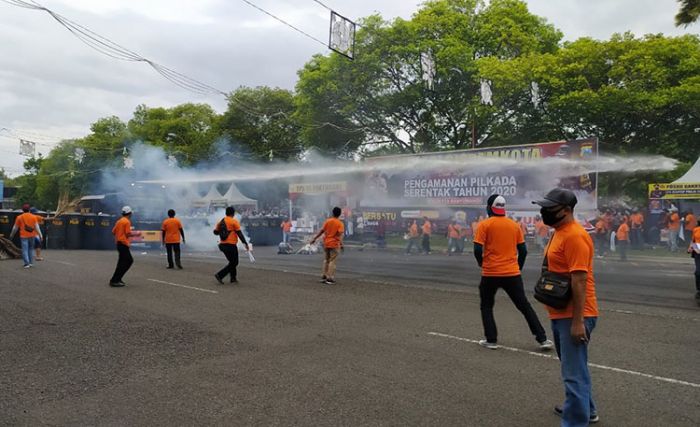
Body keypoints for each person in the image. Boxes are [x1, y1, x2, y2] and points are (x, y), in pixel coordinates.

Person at [532, 188, 600, 426]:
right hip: (562, 311)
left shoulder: (574, 236)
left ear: (567, 210)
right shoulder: (559, 231)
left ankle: (575, 420)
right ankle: (586, 409)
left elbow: (579, 279)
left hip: (574, 314)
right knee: (575, 367)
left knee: (572, 374)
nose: (544, 212)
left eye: (549, 208)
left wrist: (578, 321)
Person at [473, 194, 552, 351]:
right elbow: (523, 251)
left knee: (487, 306)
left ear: (489, 208)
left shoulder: (484, 225)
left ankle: (491, 340)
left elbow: (477, 249)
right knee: (524, 306)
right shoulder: (514, 225)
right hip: (512, 274)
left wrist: (482, 263)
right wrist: (518, 267)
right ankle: (542, 339)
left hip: (490, 274)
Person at [213, 206, 250, 284]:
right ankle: (220, 275)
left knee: (232, 262)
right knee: (235, 262)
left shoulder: (221, 221)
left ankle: (233, 278)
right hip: (231, 245)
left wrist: (222, 231)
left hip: (222, 245)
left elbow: (215, 232)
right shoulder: (234, 221)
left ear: (226, 213)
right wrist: (245, 243)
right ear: (233, 213)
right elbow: (239, 233)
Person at [310, 206, 344, 285]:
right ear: (339, 214)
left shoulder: (327, 221)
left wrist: (314, 239)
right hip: (334, 244)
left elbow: (321, 231)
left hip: (326, 243)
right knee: (332, 261)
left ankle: (324, 275)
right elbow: (340, 235)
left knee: (326, 259)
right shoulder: (340, 223)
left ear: (332, 213)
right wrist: (341, 244)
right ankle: (330, 277)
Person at [109, 206, 138, 287]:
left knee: (122, 262)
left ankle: (116, 279)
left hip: (119, 243)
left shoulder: (119, 221)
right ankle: (115, 280)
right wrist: (137, 234)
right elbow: (128, 234)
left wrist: (119, 235)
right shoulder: (127, 222)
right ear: (130, 213)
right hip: (123, 244)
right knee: (129, 261)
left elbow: (113, 231)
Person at [9, 203, 42, 268]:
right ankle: (31, 263)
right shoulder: (33, 217)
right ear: (29, 209)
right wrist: (40, 234)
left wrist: (11, 235)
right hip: (32, 235)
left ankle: (26, 263)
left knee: (25, 249)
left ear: (22, 210)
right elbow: (37, 227)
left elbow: (15, 228)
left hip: (23, 236)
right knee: (30, 249)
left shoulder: (19, 217)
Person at [688, 218, 700, 303]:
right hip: (698, 252)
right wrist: (691, 247)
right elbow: (693, 241)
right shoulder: (696, 230)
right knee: (698, 272)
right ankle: (699, 290)